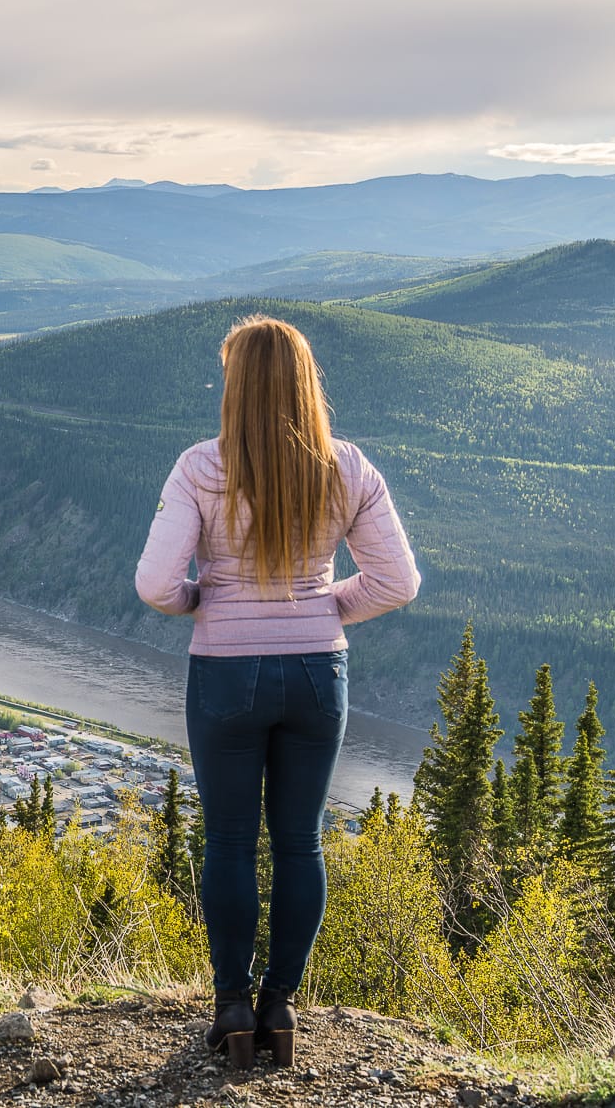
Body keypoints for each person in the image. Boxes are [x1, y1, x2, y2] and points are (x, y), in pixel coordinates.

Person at [135, 314, 419, 1069]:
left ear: (236, 387)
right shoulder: (347, 467)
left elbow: (156, 586)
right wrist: (326, 607)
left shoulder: (201, 466)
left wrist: (205, 601)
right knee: (300, 841)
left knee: (228, 838)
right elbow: (398, 581)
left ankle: (231, 1005)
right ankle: (281, 1007)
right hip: (317, 674)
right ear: (306, 382)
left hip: (226, 671)